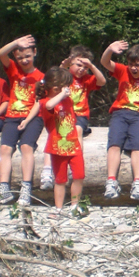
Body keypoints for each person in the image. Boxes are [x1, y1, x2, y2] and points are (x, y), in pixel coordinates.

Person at [101, 41, 139, 201]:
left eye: (138, 65)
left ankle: (138, 182)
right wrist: (109, 49)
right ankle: (111, 181)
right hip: (120, 113)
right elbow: (104, 62)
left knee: (138, 147)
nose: (133, 68)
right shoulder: (123, 71)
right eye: (131, 64)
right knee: (114, 144)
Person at [39, 46, 105, 192]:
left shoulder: (86, 79)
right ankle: (47, 169)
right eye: (78, 65)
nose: (81, 69)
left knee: (78, 130)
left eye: (84, 67)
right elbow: (50, 78)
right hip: (60, 113)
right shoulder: (65, 78)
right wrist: (63, 66)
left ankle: (75, 163)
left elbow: (102, 81)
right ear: (70, 64)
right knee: (53, 136)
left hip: (79, 115)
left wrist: (92, 66)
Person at [21, 67, 85, 216]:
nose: (66, 89)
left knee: (79, 175)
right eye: (62, 86)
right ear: (53, 87)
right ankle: (58, 209)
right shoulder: (44, 102)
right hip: (57, 146)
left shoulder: (67, 100)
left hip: (73, 144)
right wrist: (62, 94)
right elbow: (49, 105)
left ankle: (75, 205)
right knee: (60, 179)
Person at [0, 35, 45, 206]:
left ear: (35, 53)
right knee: (6, 149)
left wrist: (27, 120)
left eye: (27, 56)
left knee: (25, 146)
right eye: (20, 57)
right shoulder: (14, 70)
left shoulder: (41, 77)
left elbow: (39, 102)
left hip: (33, 117)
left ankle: (26, 188)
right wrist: (16, 43)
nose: (24, 60)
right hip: (12, 117)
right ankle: (3, 188)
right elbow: (1, 54)